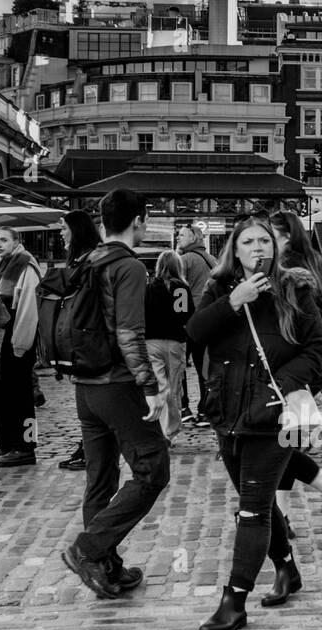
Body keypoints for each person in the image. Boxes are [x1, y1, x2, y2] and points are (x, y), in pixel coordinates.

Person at [187, 216, 322, 630]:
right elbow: (193, 333)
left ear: (276, 247)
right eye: (247, 241)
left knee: (251, 510)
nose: (256, 248)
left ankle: (234, 602)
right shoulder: (219, 288)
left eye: (264, 241)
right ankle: (287, 568)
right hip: (228, 413)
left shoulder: (296, 289)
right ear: (235, 249)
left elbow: (319, 352)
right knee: (259, 505)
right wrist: (234, 300)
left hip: (274, 416)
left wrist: (280, 386)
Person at [60, 188, 169, 600]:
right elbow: (129, 332)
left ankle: (107, 568)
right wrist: (150, 386)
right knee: (152, 470)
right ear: (139, 220)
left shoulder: (89, 259)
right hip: (119, 384)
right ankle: (87, 550)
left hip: (85, 388)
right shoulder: (129, 267)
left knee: (100, 481)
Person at [268, 210, 322, 540]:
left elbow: (310, 321)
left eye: (269, 233)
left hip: (292, 371)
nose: (263, 241)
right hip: (300, 369)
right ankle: (286, 515)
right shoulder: (310, 262)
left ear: (286, 236)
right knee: (285, 447)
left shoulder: (289, 268)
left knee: (281, 449)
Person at [0, 227, 43, 467]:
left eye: (4, 240)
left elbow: (28, 309)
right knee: (0, 398)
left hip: (16, 339)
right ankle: (8, 445)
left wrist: (20, 344)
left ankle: (26, 446)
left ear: (16, 242)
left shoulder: (25, 265)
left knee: (21, 399)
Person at [55, 211, 103, 472]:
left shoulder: (90, 262)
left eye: (64, 228)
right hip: (80, 348)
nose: (61, 233)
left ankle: (90, 451)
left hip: (89, 348)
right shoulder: (81, 261)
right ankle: (87, 450)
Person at [144, 250, 193, 442]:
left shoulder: (149, 288)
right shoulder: (181, 289)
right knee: (173, 387)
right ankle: (169, 431)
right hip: (175, 341)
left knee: (160, 385)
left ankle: (159, 427)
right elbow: (186, 316)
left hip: (152, 342)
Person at [176, 222, 217, 426]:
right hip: (209, 322)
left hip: (188, 322)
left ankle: (183, 407)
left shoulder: (184, 260)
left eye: (182, 236)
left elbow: (179, 291)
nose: (178, 238)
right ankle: (205, 409)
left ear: (193, 238)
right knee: (205, 368)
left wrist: (179, 318)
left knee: (179, 365)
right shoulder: (213, 260)